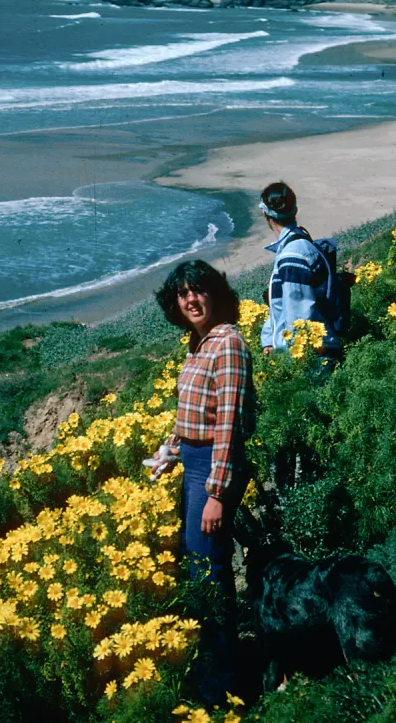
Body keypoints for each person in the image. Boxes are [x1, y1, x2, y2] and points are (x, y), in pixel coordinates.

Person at [152, 259, 254, 705]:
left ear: (214, 293)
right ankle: (216, 671)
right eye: (183, 294)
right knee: (199, 568)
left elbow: (229, 423)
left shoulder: (227, 343)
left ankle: (224, 687)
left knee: (209, 573)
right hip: (195, 462)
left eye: (199, 290)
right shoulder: (198, 344)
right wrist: (169, 449)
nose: (191, 300)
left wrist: (216, 494)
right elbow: (194, 413)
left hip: (213, 468)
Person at [258, 181, 343, 361]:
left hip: (310, 358)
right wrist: (268, 341)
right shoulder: (300, 243)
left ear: (264, 213)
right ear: (295, 210)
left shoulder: (292, 255)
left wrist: (291, 362)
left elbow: (298, 317)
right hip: (316, 349)